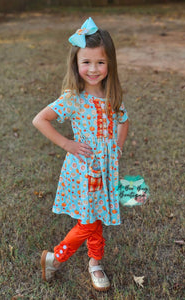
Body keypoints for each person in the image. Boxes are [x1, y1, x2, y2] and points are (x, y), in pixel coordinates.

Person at [32, 17, 129, 292]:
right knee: (87, 222)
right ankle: (55, 258)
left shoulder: (113, 95)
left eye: (100, 62)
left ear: (110, 64)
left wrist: (118, 146)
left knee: (95, 218)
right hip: (85, 171)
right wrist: (68, 144)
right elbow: (40, 120)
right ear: (76, 64)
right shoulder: (73, 98)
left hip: (106, 169)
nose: (93, 69)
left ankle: (95, 263)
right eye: (86, 62)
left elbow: (124, 121)